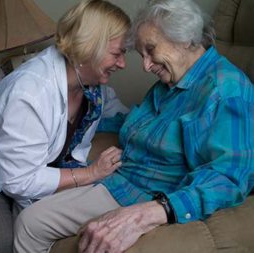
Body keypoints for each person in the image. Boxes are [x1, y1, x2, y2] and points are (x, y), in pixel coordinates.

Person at [14, 0, 254, 252]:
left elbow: (229, 177)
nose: (146, 65)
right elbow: (132, 122)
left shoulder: (226, 91)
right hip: (120, 177)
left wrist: (156, 211)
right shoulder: (172, 83)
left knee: (29, 223)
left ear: (185, 38)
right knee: (26, 198)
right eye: (142, 54)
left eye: (151, 50)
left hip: (142, 193)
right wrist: (66, 122)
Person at [0, 0, 131, 252]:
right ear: (89, 47)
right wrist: (90, 174)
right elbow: (17, 180)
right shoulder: (30, 92)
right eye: (116, 54)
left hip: (31, 171)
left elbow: (126, 116)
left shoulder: (92, 87)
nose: (122, 63)